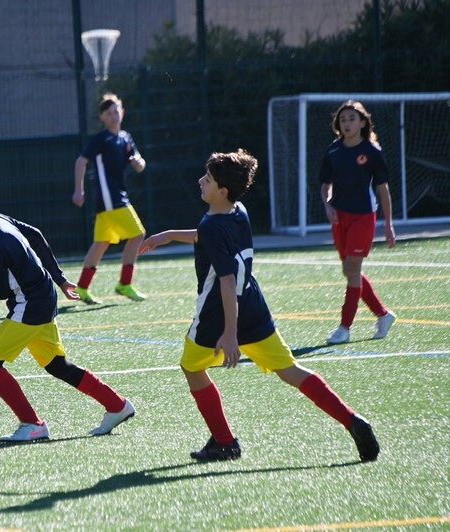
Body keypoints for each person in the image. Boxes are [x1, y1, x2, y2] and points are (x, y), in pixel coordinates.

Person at [139, 149, 379, 462]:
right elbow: (214, 239)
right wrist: (170, 235)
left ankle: (225, 442)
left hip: (217, 316)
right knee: (290, 370)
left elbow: (226, 280)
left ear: (222, 191)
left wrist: (229, 334)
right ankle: (352, 420)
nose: (201, 181)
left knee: (192, 368)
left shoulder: (211, 225)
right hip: (253, 307)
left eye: (208, 179)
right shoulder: (238, 210)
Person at [0, 181, 135, 442]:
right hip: (44, 295)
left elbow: (0, 292)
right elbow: (34, 234)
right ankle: (117, 404)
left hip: (30, 305)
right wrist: (60, 279)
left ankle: (32, 424)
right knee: (57, 365)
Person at [319, 100, 397, 345]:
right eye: (343, 120)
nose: (347, 123)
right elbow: (325, 186)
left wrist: (388, 224)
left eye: (352, 119)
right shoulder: (333, 151)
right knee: (350, 270)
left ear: (363, 123)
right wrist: (328, 205)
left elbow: (383, 189)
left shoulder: (372, 151)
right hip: (339, 216)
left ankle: (345, 328)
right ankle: (383, 315)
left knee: (352, 270)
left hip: (363, 216)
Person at [72, 93, 147, 304]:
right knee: (138, 234)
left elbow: (140, 163)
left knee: (101, 243)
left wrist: (139, 163)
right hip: (110, 197)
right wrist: (78, 190)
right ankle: (124, 283)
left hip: (113, 197)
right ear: (102, 117)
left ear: (122, 112)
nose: (114, 116)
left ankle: (82, 288)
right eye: (109, 113)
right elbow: (81, 162)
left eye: (116, 111)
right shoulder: (101, 139)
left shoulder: (125, 137)